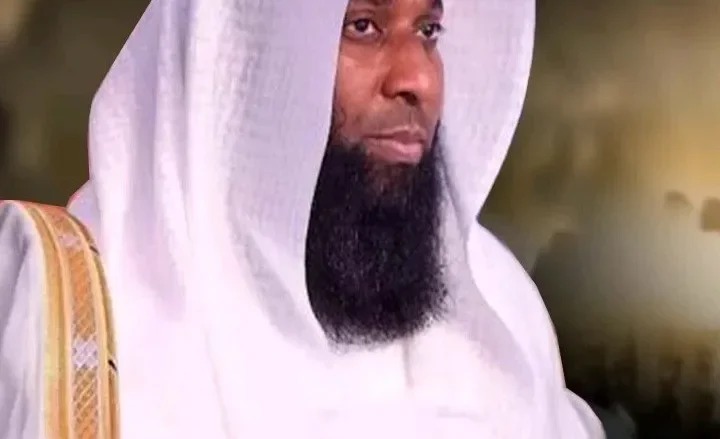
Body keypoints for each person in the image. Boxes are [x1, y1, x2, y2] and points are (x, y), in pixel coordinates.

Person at [0, 0, 605, 437]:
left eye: (428, 30)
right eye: (363, 26)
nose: (418, 79)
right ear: (246, 59)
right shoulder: (78, 318)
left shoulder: (501, 313)